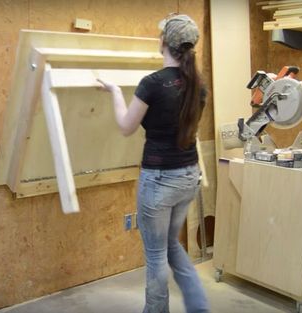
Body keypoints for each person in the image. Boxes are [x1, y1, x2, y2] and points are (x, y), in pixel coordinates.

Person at [97, 14, 210, 313]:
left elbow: (125, 126)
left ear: (163, 44)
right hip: (188, 176)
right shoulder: (199, 86)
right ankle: (199, 305)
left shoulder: (152, 84)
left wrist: (114, 92)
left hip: (160, 180)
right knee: (171, 245)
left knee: (157, 256)